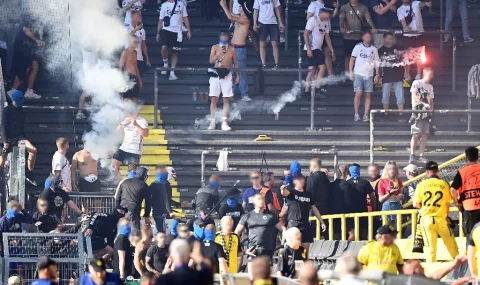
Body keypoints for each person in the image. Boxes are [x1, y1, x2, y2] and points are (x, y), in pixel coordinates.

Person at [413, 161, 459, 262]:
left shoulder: (421, 184)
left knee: (431, 249)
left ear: (426, 172)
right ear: (438, 170)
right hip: (442, 219)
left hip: (427, 220)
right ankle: (459, 266)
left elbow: (415, 204)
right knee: (452, 246)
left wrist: (424, 208)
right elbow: (447, 204)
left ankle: (430, 274)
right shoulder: (444, 184)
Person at [235, 193, 286, 273]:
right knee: (252, 277)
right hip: (252, 250)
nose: (262, 201)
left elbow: (283, 228)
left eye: (263, 199)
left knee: (267, 277)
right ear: (254, 202)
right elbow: (237, 232)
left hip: (267, 250)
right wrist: (239, 248)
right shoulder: (247, 216)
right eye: (259, 199)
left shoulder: (270, 216)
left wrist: (284, 242)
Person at [0, 90, 38, 185]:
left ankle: (30, 173)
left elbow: (21, 127)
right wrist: (5, 141)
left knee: (33, 150)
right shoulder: (6, 110)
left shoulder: (21, 111)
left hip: (19, 137)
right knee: (1, 161)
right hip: (7, 139)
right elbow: (3, 126)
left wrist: (24, 138)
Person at [281, 174, 326, 251]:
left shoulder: (308, 194)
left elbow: (314, 208)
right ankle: (292, 262)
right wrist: (282, 189)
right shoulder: (291, 193)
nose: (301, 181)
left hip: (305, 223)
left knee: (305, 250)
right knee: (293, 248)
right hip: (294, 223)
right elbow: (284, 193)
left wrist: (321, 221)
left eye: (302, 179)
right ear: (294, 181)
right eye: (299, 179)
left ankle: (305, 262)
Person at [220, 0, 251, 102]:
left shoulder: (245, 20)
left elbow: (230, 16)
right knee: (231, 72)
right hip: (233, 48)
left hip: (239, 49)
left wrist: (224, 5)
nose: (239, 7)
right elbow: (231, 15)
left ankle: (244, 94)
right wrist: (225, 7)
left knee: (241, 72)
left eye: (241, 7)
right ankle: (231, 92)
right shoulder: (240, 19)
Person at [207, 31, 239, 131]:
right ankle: (212, 121)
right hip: (215, 73)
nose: (224, 39)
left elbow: (235, 63)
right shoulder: (215, 47)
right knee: (214, 98)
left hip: (226, 73)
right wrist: (218, 54)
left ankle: (224, 122)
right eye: (222, 37)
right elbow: (211, 61)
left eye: (226, 37)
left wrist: (238, 75)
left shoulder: (232, 49)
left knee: (226, 99)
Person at [7, 16, 43, 100]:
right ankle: (13, 90)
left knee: (35, 66)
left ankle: (29, 91)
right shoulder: (27, 15)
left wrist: (39, 40)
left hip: (31, 46)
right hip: (23, 46)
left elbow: (39, 29)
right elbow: (25, 30)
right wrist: (37, 40)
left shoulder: (40, 16)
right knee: (25, 69)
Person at [304, 8, 335, 99]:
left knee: (312, 69)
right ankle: (317, 89)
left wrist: (332, 50)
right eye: (328, 14)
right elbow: (305, 34)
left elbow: (327, 37)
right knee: (322, 67)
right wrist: (309, 49)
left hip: (318, 48)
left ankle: (307, 91)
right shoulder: (313, 20)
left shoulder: (327, 22)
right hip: (311, 47)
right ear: (323, 13)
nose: (329, 17)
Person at [157, 0, 192, 80]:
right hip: (166, 29)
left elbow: (185, 17)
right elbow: (160, 20)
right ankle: (165, 64)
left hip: (177, 31)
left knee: (175, 52)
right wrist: (158, 32)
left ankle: (172, 72)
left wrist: (188, 30)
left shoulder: (181, 4)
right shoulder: (164, 5)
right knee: (164, 47)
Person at [349, 31, 380, 122]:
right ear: (362, 37)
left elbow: (377, 63)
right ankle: (356, 113)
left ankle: (366, 115)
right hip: (358, 74)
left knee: (368, 95)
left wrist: (377, 75)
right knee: (358, 93)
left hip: (369, 75)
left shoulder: (374, 49)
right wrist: (351, 71)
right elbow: (352, 59)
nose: (367, 39)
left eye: (369, 37)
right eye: (366, 37)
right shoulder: (358, 47)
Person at [397, 0, 430, 80]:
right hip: (408, 36)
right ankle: (407, 74)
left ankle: (418, 74)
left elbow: (421, 5)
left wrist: (425, 3)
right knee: (406, 56)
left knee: (419, 55)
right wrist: (405, 27)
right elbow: (403, 21)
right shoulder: (400, 9)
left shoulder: (415, 3)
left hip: (419, 34)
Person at [340, 0, 376, 73]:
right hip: (348, 37)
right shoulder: (344, 7)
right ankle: (347, 73)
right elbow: (341, 19)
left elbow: (368, 19)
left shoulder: (363, 7)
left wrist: (373, 27)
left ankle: (359, 72)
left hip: (359, 37)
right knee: (348, 56)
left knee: (360, 56)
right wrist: (341, 28)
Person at [451, 147, 480, 238]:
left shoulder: (462, 172)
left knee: (470, 236)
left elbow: (452, 189)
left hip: (468, 207)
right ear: (478, 157)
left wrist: (457, 203)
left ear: (466, 158)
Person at [306, 0, 339, 77]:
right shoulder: (313, 5)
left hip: (325, 31)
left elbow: (332, 15)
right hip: (316, 32)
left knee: (328, 52)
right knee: (316, 53)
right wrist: (319, 21)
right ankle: (316, 76)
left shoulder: (326, 4)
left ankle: (330, 74)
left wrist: (336, 8)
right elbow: (308, 17)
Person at [409, 67, 434, 164]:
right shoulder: (417, 83)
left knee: (425, 134)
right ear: (425, 73)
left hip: (427, 113)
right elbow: (414, 95)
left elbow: (431, 100)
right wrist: (423, 104)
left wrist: (431, 108)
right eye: (430, 74)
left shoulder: (430, 87)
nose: (431, 76)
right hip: (417, 111)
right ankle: (412, 154)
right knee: (415, 134)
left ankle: (421, 155)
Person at [112, 112, 149, 179]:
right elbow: (115, 131)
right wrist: (122, 124)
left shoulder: (142, 121)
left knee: (132, 173)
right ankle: (122, 185)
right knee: (113, 167)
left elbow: (145, 134)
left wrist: (136, 125)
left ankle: (129, 187)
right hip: (124, 148)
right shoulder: (126, 119)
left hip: (134, 150)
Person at [379, 33, 406, 112]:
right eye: (388, 38)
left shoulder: (399, 49)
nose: (390, 40)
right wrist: (378, 75)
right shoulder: (380, 50)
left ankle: (401, 113)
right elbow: (378, 65)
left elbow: (404, 61)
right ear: (384, 39)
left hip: (398, 75)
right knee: (385, 96)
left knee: (400, 96)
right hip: (386, 76)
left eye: (392, 38)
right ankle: (385, 113)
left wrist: (406, 72)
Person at [253, 0, 284, 68]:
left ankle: (276, 64)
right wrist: (254, 23)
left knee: (275, 43)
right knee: (262, 44)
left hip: (273, 22)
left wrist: (280, 22)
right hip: (262, 22)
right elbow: (255, 10)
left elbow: (277, 8)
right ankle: (263, 64)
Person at [149, 165, 175, 233]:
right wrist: (170, 211)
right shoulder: (165, 185)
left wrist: (179, 204)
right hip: (160, 212)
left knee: (158, 231)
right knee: (161, 232)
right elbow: (166, 199)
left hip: (156, 211)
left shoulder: (154, 184)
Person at [127, 11, 151, 77]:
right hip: (129, 58)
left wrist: (147, 58)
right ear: (131, 18)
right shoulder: (127, 28)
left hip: (139, 58)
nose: (137, 19)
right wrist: (135, 29)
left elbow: (143, 45)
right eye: (136, 17)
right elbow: (126, 38)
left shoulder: (142, 31)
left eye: (139, 17)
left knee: (138, 79)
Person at [119, 36, 143, 103]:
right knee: (127, 99)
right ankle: (126, 113)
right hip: (128, 77)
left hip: (135, 77)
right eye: (135, 42)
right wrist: (120, 81)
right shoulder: (125, 52)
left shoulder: (135, 52)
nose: (136, 44)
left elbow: (136, 66)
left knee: (135, 98)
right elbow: (120, 67)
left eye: (137, 42)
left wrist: (139, 79)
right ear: (130, 42)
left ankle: (133, 113)